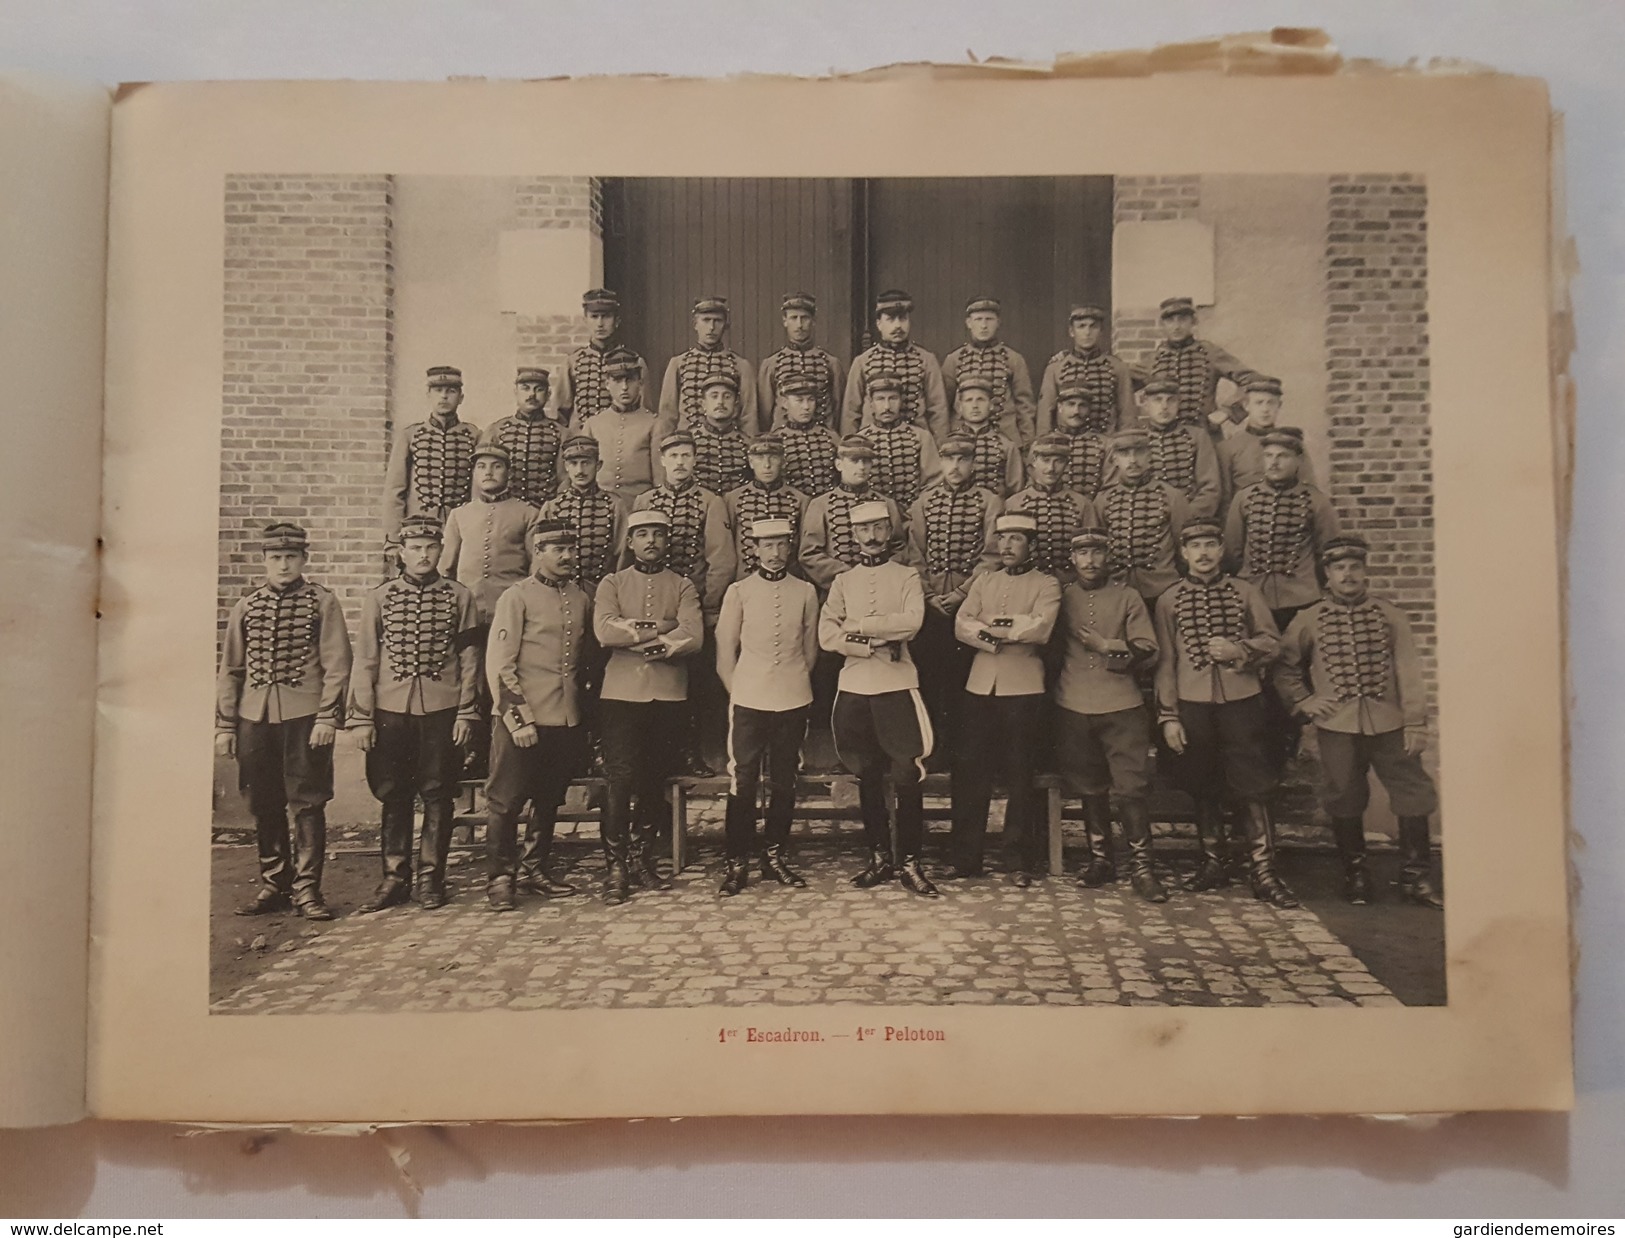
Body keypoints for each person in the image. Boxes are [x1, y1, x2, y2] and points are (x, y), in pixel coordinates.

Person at [1274, 534, 1442, 909]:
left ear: (1365, 572)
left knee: (1412, 792)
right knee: (1344, 796)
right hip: (1338, 725)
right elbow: (1284, 668)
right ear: (1327, 575)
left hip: (1390, 724)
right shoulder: (1309, 619)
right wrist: (1305, 701)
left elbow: (1409, 672)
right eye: (1339, 568)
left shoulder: (1390, 616)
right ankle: (1356, 873)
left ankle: (1415, 878)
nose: (1348, 575)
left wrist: (1415, 723)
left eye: (1355, 567)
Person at [1154, 517, 1294, 908]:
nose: (1203, 553)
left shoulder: (1245, 593)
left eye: (1210, 545)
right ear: (1183, 553)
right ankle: (1213, 861)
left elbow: (1273, 642)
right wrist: (1168, 715)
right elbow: (1165, 662)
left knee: (1252, 783)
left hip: (1242, 699)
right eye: (1194, 546)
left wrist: (1240, 651)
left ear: (1221, 551)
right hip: (1192, 701)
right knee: (1203, 781)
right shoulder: (1169, 600)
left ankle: (1264, 871)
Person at [215, 523, 352, 921]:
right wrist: (226, 724)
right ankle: (275, 882)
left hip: (304, 716)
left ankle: (307, 889)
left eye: (291, 556)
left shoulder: (321, 602)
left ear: (304, 559)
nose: (283, 564)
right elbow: (231, 668)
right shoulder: (247, 605)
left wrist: (328, 715)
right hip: (254, 717)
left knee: (308, 801)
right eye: (275, 558)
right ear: (264, 561)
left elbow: (337, 663)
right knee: (264, 801)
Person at [349, 516, 481, 912]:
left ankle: (431, 878)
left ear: (441, 550)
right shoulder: (380, 597)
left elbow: (470, 659)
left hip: (442, 708)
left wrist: (466, 711)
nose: (423, 555)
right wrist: (361, 717)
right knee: (393, 792)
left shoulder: (460, 596)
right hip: (391, 708)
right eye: (416, 548)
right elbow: (366, 659)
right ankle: (394, 877)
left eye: (431, 547)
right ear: (401, 553)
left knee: (438, 793)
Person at [819, 501, 938, 897]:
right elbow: (826, 635)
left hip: (897, 685)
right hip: (855, 686)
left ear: (889, 531)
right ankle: (878, 857)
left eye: (878, 528)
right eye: (863, 530)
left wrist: (860, 625)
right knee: (866, 773)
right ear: (853, 535)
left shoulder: (906, 576)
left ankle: (910, 861)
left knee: (907, 774)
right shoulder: (843, 582)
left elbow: (913, 622)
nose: (871, 536)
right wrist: (868, 645)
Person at [593, 509, 704, 904]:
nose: (651, 541)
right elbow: (605, 630)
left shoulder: (683, 584)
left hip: (669, 695)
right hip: (621, 695)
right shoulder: (613, 582)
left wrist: (640, 637)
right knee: (620, 780)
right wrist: (662, 626)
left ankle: (643, 858)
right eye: (642, 534)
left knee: (654, 781)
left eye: (658, 533)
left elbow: (693, 636)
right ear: (631, 541)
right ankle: (616, 866)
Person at [947, 512, 1062, 886]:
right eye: (1002, 538)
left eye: (1016, 539)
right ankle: (967, 858)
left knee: (1020, 774)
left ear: (1032, 545)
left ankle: (1019, 861)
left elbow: (1040, 628)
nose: (1007, 546)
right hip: (979, 687)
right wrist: (1004, 630)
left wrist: (992, 627)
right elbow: (962, 625)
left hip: (1025, 688)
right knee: (969, 774)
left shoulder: (1047, 584)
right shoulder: (984, 580)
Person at [483, 520, 592, 911]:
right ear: (538, 552)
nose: (566, 556)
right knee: (506, 800)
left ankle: (535, 869)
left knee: (548, 799)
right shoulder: (517, 597)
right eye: (556, 549)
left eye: (570, 548)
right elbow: (500, 664)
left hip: (563, 717)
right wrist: (518, 719)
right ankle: (500, 877)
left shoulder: (579, 597)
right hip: (522, 719)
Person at [1051, 527, 1165, 901]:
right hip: (1073, 705)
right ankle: (1101, 859)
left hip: (1122, 706)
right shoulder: (1062, 597)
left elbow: (1149, 649)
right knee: (1089, 786)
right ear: (1072, 559)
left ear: (1107, 556)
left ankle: (1142, 867)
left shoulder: (1128, 596)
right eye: (1082, 553)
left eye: (1097, 552)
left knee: (1130, 788)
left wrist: (1108, 645)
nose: (1090, 561)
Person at [714, 518, 822, 896]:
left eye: (781, 545)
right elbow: (725, 651)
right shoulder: (739, 591)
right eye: (767, 545)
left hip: (793, 695)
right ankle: (737, 861)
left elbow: (810, 649)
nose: (775, 553)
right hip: (749, 696)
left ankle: (774, 856)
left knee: (784, 780)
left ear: (790, 547)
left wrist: (791, 681)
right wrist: (740, 690)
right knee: (742, 779)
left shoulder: (806, 591)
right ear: (754, 549)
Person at [631, 430, 737, 775]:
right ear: (662, 460)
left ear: (695, 461)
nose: (680, 462)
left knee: (693, 684)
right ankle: (652, 755)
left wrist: (703, 607)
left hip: (695, 609)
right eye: (673, 456)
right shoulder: (644, 502)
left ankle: (691, 753)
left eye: (686, 456)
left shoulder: (710, 501)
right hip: (652, 607)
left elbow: (720, 560)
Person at [439, 443, 543, 780]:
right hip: (469, 612)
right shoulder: (459, 515)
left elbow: (535, 568)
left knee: (504, 679)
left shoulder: (527, 513)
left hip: (508, 613)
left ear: (508, 473)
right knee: (472, 681)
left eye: (496, 466)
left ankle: (507, 754)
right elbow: (445, 567)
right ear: (473, 473)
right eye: (482, 466)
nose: (488, 473)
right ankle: (474, 753)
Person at [904, 432, 1002, 769]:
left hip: (972, 604)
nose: (955, 466)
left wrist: (961, 594)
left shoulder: (989, 502)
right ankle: (933, 749)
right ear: (940, 462)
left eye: (963, 459)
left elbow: (992, 555)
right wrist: (930, 595)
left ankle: (967, 754)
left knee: (967, 681)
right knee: (930, 677)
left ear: (973, 463)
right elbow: (914, 553)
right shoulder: (923, 503)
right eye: (949, 459)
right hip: (931, 605)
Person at [1223, 427, 1339, 631]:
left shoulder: (1316, 501)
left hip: (1301, 596)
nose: (1274, 463)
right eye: (1268, 456)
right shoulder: (1244, 498)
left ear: (1297, 461)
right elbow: (1233, 551)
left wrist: (1312, 585)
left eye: (1283, 456)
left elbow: (1326, 552)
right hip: (1254, 594)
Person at [1094, 428, 1194, 606]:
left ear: (1150, 456)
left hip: (1162, 589)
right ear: (1115, 459)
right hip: (1118, 590)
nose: (1132, 460)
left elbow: (1184, 550)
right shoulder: (1103, 500)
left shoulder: (1172, 496)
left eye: (1139, 452)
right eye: (1124, 453)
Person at [382, 365, 480, 542]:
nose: (444, 396)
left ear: (461, 398)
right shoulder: (410, 435)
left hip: (460, 529)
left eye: (451, 391)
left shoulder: (474, 436)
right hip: (418, 528)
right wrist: (394, 538)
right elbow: (395, 490)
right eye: (438, 390)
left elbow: (478, 489)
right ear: (428, 395)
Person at [798, 436, 908, 594]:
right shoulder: (821, 505)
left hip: (882, 586)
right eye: (854, 461)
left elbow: (900, 548)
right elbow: (809, 554)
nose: (862, 467)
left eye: (867, 461)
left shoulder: (887, 503)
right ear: (839, 464)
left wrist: (881, 574)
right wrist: (849, 576)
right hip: (839, 589)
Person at [841, 289, 949, 441]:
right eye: (891, 320)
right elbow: (850, 413)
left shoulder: (926, 360)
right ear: (879, 324)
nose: (898, 326)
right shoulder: (863, 362)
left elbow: (938, 410)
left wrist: (941, 449)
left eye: (903, 319)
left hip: (916, 443)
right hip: (871, 444)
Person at [1147, 296, 1260, 439]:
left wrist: (1227, 411)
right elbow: (1121, 384)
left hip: (1207, 436)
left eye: (1182, 319)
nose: (1176, 326)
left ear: (1193, 322)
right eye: (1170, 321)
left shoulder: (1209, 352)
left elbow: (1254, 381)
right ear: (1162, 325)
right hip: (1165, 442)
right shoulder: (1153, 360)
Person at [657, 295, 760, 439]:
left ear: (725, 324)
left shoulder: (741, 366)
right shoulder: (678, 364)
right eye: (706, 320)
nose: (711, 327)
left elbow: (749, 418)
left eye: (717, 321)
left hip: (729, 447)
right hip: (686, 448)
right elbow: (667, 415)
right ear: (695, 324)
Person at [1215, 376, 1319, 515]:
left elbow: (1309, 488)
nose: (1265, 409)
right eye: (1259, 403)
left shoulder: (1293, 444)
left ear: (1279, 406)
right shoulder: (1228, 448)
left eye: (1271, 403)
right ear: (1246, 406)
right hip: (1246, 520)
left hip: (1288, 519)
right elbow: (1226, 500)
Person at [540, 434, 629, 595]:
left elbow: (622, 554)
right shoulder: (552, 506)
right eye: (574, 464)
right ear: (566, 466)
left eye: (586, 463)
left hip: (602, 591)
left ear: (598, 465)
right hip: (560, 592)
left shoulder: (614, 505)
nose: (580, 471)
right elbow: (540, 556)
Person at [1003, 433, 1098, 583]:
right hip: (1027, 585)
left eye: (1058, 461)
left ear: (1066, 464)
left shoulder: (1082, 504)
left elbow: (1092, 552)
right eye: (1045, 460)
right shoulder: (1014, 503)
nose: (1051, 468)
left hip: (1069, 585)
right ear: (1034, 462)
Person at [942, 295, 1036, 446]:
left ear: (998, 322)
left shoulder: (1013, 359)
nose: (984, 325)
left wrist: (1027, 443)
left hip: (1005, 438)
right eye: (978, 319)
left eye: (989, 319)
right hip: (962, 439)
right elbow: (943, 406)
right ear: (968, 323)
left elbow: (1025, 406)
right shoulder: (954, 360)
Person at [579, 345, 662, 506]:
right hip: (599, 506)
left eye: (630, 380)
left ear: (640, 382)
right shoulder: (593, 424)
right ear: (607, 384)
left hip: (639, 505)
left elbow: (659, 478)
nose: (624, 387)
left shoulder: (654, 424)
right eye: (617, 380)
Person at [1036, 304, 1135, 438]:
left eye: (1093, 326)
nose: (1087, 332)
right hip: (1066, 446)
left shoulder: (1117, 367)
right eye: (1081, 326)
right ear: (1072, 331)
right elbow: (1045, 413)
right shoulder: (1056, 368)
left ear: (1101, 331)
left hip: (1106, 443)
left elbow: (1126, 414)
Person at [1131, 376, 1221, 518]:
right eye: (1157, 400)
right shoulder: (1135, 439)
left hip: (1188, 519)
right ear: (1146, 404)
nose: (1164, 406)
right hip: (1145, 519)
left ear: (1179, 403)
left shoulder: (1197, 436)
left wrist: (1187, 515)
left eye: (1171, 400)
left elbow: (1210, 488)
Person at [556, 288, 648, 427]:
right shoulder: (573, 362)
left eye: (606, 316)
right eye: (594, 316)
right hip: (581, 441)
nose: (600, 323)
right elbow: (561, 414)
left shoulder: (635, 362)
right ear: (585, 320)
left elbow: (645, 410)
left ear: (617, 321)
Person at [725, 433, 810, 580]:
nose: (767, 465)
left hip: (788, 580)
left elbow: (804, 548)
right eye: (760, 458)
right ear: (751, 462)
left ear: (783, 462)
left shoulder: (801, 500)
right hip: (744, 581)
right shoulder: (733, 499)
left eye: (773, 458)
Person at [759, 292, 845, 431]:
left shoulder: (831, 363)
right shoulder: (771, 364)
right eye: (794, 318)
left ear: (814, 320)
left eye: (805, 318)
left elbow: (838, 407)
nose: (799, 325)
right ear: (785, 321)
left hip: (822, 441)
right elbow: (764, 414)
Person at [857, 372, 943, 511]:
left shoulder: (921, 437)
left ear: (901, 401)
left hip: (914, 515)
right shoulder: (861, 440)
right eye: (880, 399)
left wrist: (915, 512)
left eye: (893, 398)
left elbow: (934, 483)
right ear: (871, 403)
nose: (887, 406)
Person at [481, 366, 565, 508]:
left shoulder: (561, 433)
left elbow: (564, 479)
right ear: (516, 392)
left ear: (548, 394)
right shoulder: (496, 430)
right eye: (525, 388)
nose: (531, 395)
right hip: (505, 511)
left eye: (539, 389)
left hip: (544, 510)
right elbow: (482, 478)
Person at [947, 373, 1023, 497]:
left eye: (980, 399)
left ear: (991, 405)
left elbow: (1016, 491)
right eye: (969, 400)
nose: (975, 406)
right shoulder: (947, 444)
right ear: (960, 407)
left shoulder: (1006, 446)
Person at [775, 372, 841, 498]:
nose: (806, 407)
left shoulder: (831, 438)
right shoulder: (777, 440)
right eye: (799, 400)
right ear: (784, 402)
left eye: (811, 400)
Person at [1049, 379, 1114, 501]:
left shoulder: (1105, 445)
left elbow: (1109, 490)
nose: (1076, 412)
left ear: (1089, 409)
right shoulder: (1043, 444)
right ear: (1060, 407)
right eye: (1071, 404)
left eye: (1082, 406)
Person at [690, 372, 753, 496]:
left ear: (735, 404)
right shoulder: (689, 441)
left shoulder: (747, 444)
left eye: (727, 396)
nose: (720, 402)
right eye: (714, 396)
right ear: (703, 404)